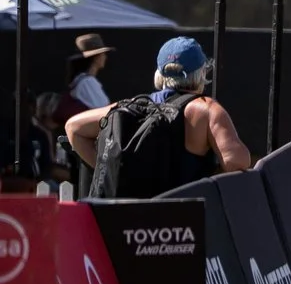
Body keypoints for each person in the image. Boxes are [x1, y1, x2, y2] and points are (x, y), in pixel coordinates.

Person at [66, 35, 250, 193]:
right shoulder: (204, 109)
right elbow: (237, 162)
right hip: (183, 224)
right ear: (201, 72)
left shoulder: (129, 107)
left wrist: (109, 171)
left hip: (129, 223)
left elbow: (74, 128)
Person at [65, 33, 111, 113]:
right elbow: (103, 110)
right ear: (96, 58)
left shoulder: (83, 80)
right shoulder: (87, 82)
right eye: (103, 54)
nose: (105, 57)